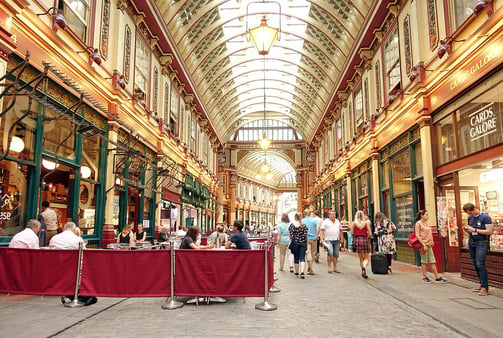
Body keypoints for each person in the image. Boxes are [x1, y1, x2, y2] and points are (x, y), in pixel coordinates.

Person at [463, 203, 492, 296]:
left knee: (480, 263)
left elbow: (489, 231)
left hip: (481, 242)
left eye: (470, 213)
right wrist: (466, 229)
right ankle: (481, 283)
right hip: (472, 242)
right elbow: (469, 229)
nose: (469, 215)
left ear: (474, 209)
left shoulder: (485, 217)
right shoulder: (470, 218)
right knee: (475, 263)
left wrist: (475, 230)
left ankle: (485, 287)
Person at [414, 210, 448, 284]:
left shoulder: (426, 223)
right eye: (426, 215)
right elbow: (417, 235)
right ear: (421, 215)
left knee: (432, 260)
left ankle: (437, 277)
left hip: (429, 244)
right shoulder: (418, 224)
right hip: (424, 245)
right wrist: (423, 244)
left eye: (428, 215)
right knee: (424, 261)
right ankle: (424, 276)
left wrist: (431, 243)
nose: (428, 216)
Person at [352, 210, 372, 279]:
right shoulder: (366, 223)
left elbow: (352, 233)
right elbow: (370, 233)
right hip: (365, 240)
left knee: (361, 258)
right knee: (366, 257)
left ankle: (363, 270)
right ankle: (364, 267)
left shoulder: (354, 223)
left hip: (357, 240)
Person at [289, 212, 308, 279]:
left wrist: (292, 241)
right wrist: (307, 245)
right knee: (302, 257)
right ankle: (302, 272)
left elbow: (290, 235)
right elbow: (306, 236)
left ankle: (297, 272)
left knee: (296, 257)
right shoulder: (304, 226)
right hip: (303, 243)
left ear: (295, 217)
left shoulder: (292, 225)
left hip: (295, 243)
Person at [302, 208, 319, 275]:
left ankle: (310, 269)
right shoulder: (314, 220)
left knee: (308, 253)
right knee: (313, 253)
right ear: (310, 214)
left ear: (304, 214)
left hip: (306, 239)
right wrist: (317, 236)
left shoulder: (302, 221)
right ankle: (310, 267)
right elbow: (318, 228)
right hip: (314, 238)